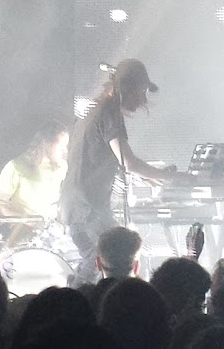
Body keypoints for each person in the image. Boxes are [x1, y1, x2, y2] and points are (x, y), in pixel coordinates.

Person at [59, 58, 186, 282]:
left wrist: (146, 176)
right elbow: (129, 163)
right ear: (125, 88)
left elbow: (99, 159)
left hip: (77, 205)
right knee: (115, 258)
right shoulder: (110, 112)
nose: (143, 99)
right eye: (142, 91)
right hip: (87, 207)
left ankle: (79, 298)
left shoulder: (93, 111)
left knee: (101, 262)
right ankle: (77, 301)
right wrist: (171, 176)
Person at [0, 121, 70, 244]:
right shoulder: (16, 166)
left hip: (51, 233)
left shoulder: (63, 167)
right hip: (21, 232)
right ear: (46, 143)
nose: (65, 150)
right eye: (61, 145)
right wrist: (26, 220)